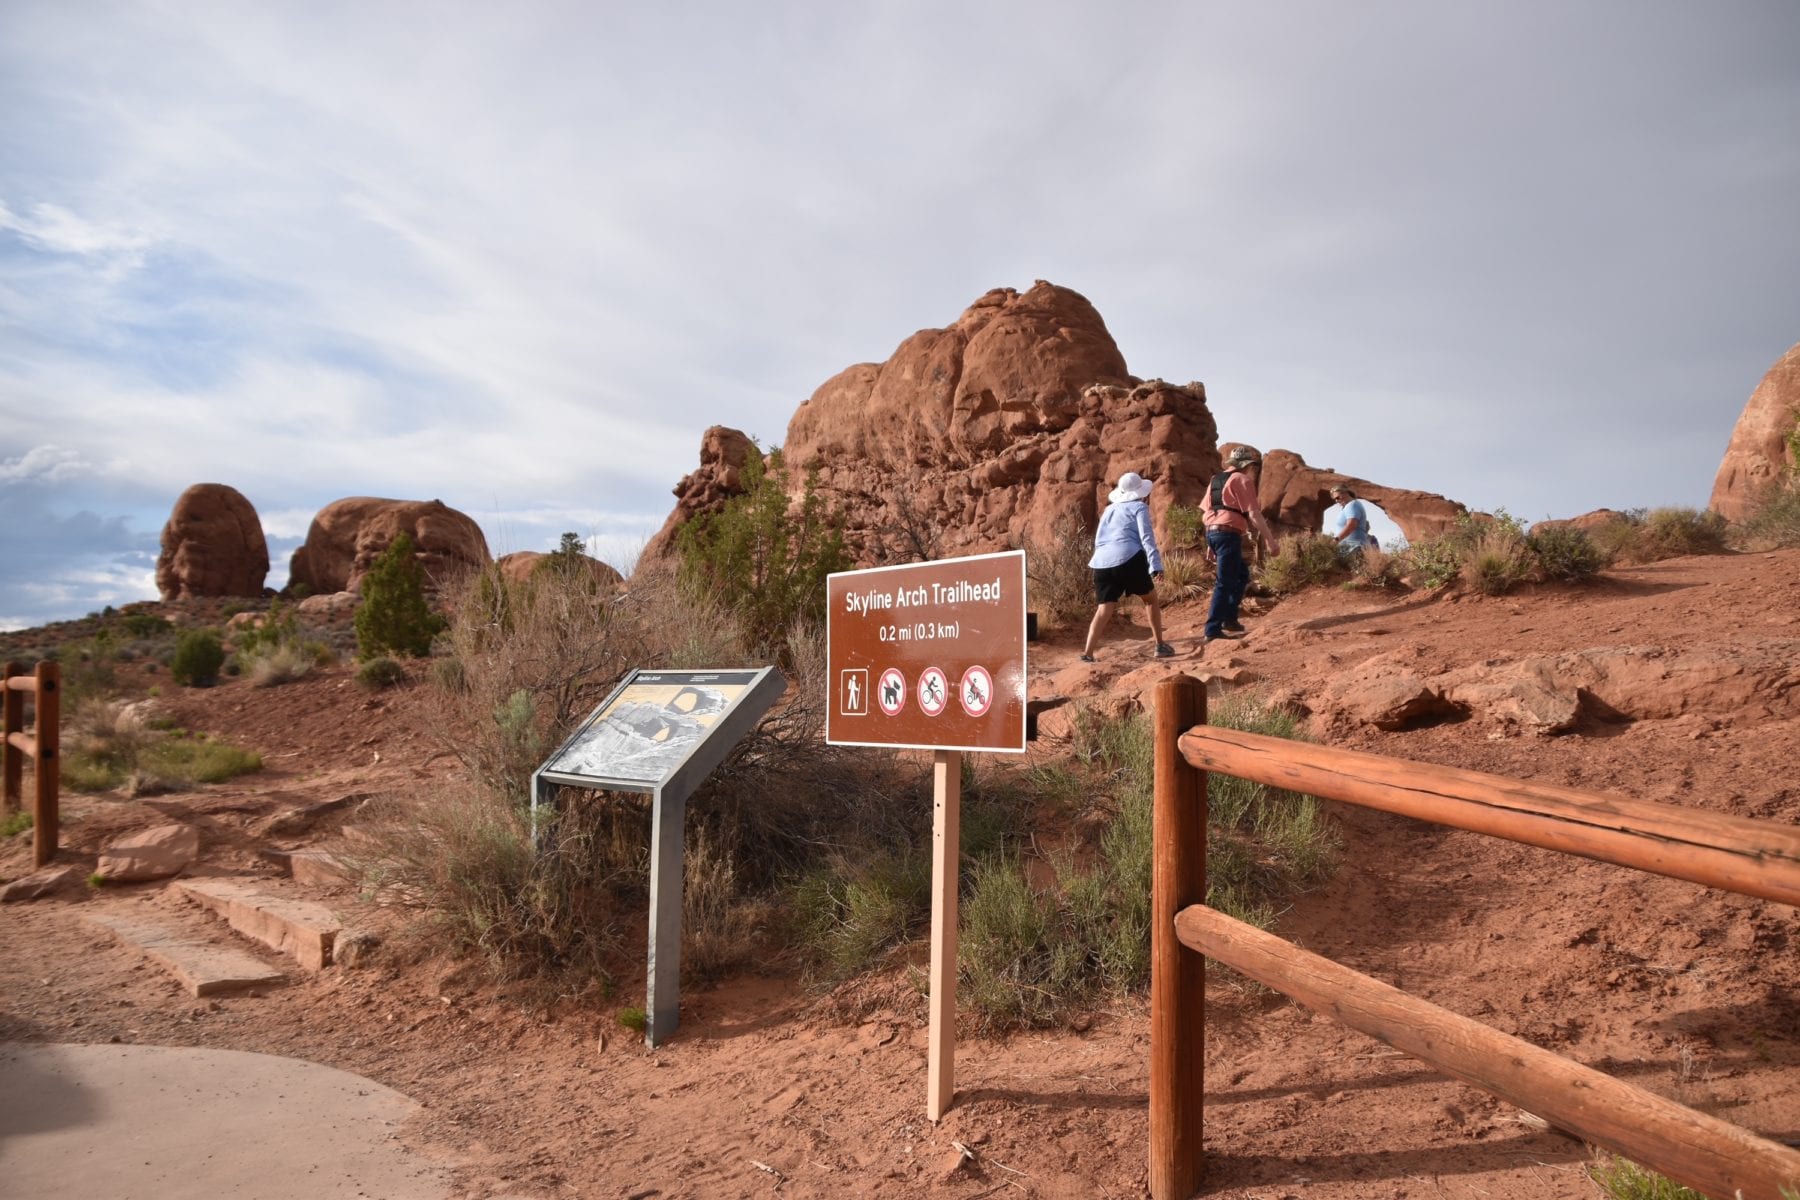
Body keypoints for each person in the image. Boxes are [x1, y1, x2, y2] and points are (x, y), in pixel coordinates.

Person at [1080, 471, 1174, 662]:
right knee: (1150, 599)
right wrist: (1155, 565)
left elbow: (1099, 539)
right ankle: (1160, 645)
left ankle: (1087, 653)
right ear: (1141, 492)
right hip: (1129, 557)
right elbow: (1146, 538)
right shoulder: (1139, 507)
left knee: (1104, 609)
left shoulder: (1109, 510)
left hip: (1102, 562)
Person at [1200, 445, 1279, 645]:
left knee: (1241, 575)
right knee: (1224, 582)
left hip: (1214, 532)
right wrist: (1270, 541)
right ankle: (1213, 629)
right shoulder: (1243, 480)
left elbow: (1207, 513)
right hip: (1227, 535)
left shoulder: (1215, 480)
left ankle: (1229, 619)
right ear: (1247, 465)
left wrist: (1210, 543)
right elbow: (1253, 513)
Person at [1331, 485, 1373, 557]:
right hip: (1348, 549)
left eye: (1337, 497)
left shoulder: (1352, 505)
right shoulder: (1348, 507)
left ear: (1345, 493)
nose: (1336, 501)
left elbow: (1351, 524)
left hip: (1355, 548)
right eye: (1334, 499)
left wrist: (1336, 540)